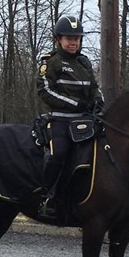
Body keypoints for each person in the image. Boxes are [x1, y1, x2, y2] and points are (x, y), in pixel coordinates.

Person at [35, 15, 105, 219]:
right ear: (59, 39)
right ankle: (47, 196)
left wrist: (98, 101)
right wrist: (77, 104)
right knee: (60, 154)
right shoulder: (51, 62)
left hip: (86, 120)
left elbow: (94, 87)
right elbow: (45, 91)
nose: (73, 42)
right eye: (69, 38)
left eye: (77, 38)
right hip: (61, 120)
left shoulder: (84, 63)